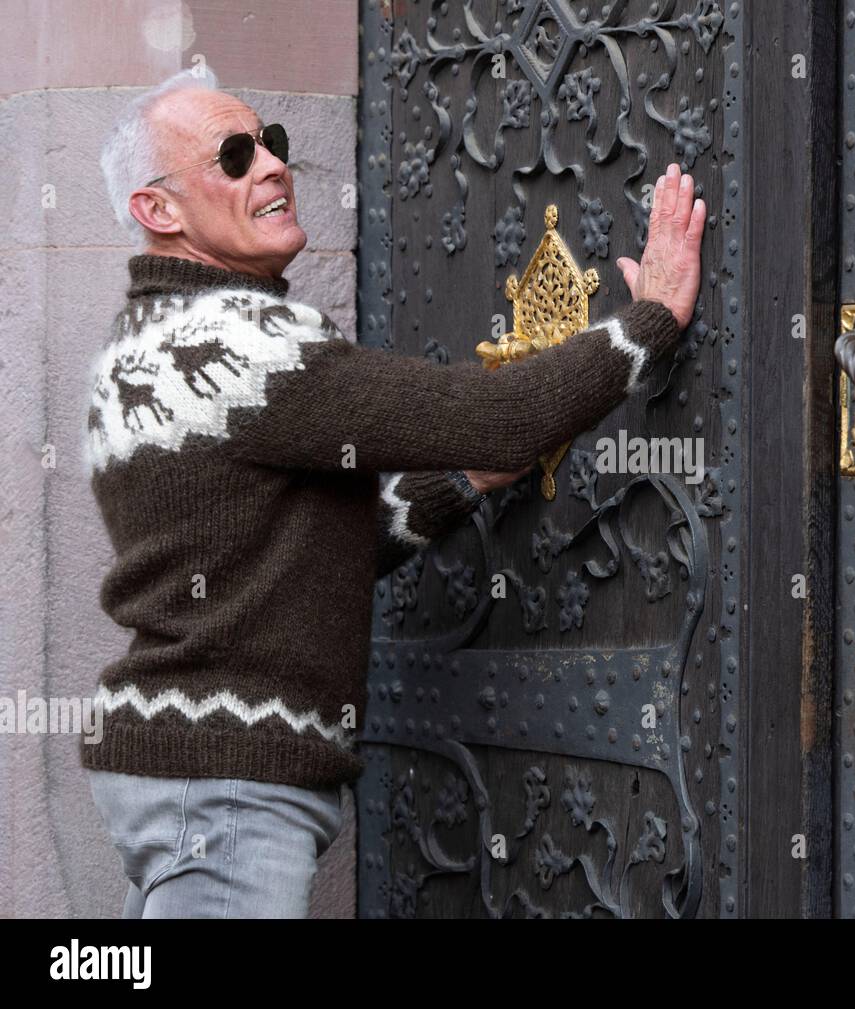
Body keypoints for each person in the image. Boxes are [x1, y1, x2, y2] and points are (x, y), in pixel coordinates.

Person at [85, 67, 706, 918]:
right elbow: (496, 416)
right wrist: (651, 320)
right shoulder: (240, 342)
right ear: (159, 211)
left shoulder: (132, 349)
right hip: (224, 785)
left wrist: (455, 483)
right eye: (234, 157)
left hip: (181, 771)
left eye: (273, 143)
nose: (270, 165)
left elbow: (281, 558)